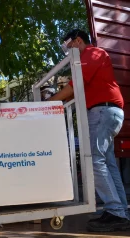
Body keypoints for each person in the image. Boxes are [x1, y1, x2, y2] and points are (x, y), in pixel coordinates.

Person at [49, 29, 130, 232]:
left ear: (77, 41)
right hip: (107, 112)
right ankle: (119, 211)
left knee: (96, 160)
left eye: (68, 47)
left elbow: (73, 87)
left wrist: (48, 103)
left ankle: (115, 211)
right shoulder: (91, 57)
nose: (68, 52)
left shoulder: (91, 53)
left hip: (103, 111)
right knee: (108, 163)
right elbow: (73, 91)